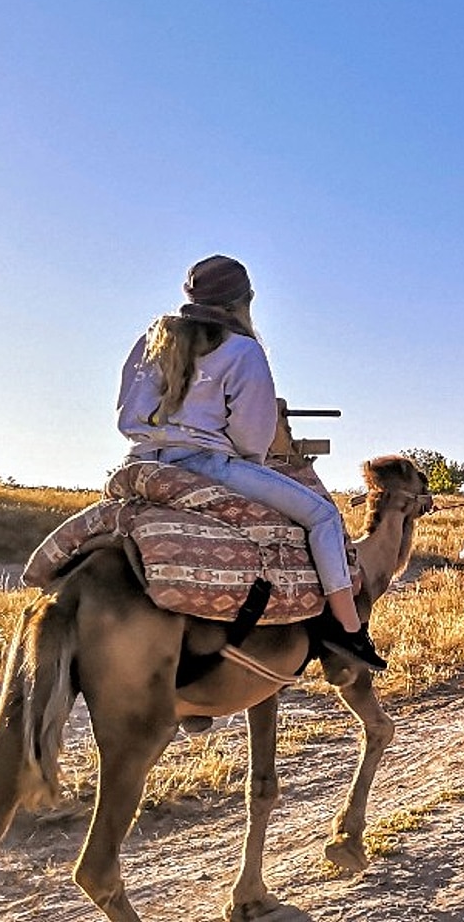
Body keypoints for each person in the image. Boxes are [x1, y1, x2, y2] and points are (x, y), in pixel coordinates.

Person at [116, 255, 388, 671]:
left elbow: (126, 415)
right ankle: (348, 630)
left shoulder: (152, 342)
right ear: (246, 300)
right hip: (208, 465)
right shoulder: (242, 350)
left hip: (139, 464)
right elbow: (251, 440)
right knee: (322, 517)